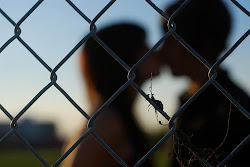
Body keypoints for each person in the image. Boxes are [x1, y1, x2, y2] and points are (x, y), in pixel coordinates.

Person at [159, 0, 250, 166]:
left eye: (169, 40)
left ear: (200, 42)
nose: (160, 50)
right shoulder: (187, 98)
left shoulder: (235, 108)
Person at [61, 23, 160, 167]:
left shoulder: (115, 115)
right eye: (145, 46)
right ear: (124, 55)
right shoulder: (107, 122)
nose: (156, 52)